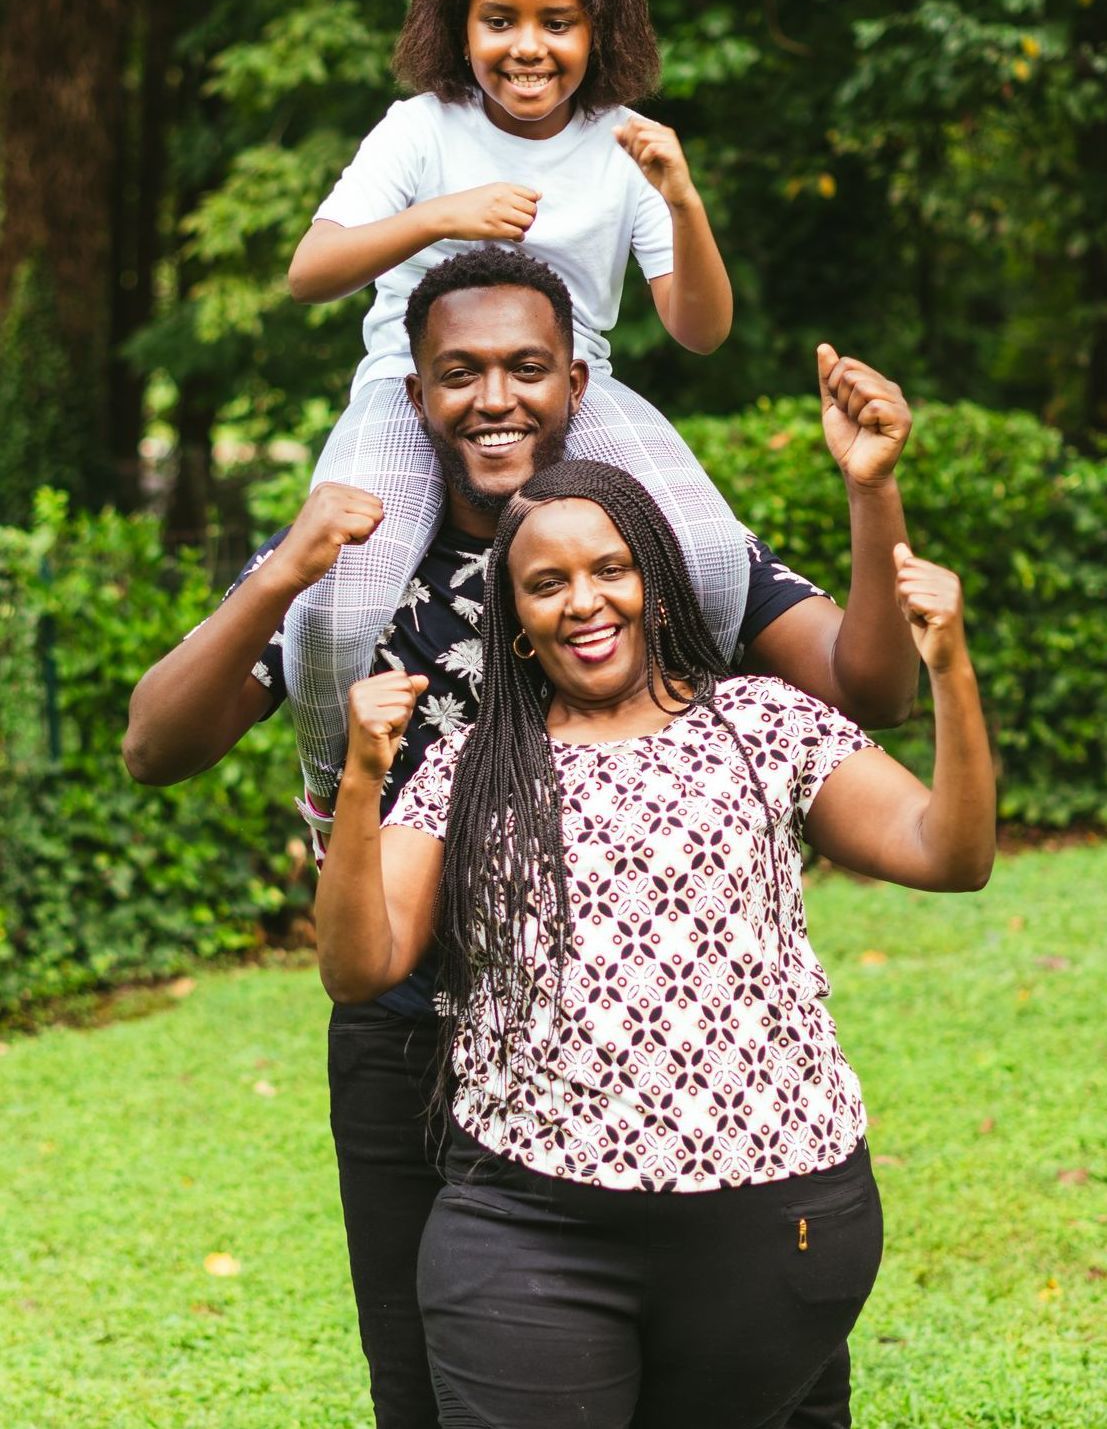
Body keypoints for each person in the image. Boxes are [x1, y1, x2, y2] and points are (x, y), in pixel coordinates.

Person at [124, 246, 920, 1429]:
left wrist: (871, 494)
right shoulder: (357, 572)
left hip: (625, 1058)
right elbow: (155, 746)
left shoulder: (646, 550)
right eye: (460, 372)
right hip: (408, 1039)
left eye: (526, 369)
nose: (494, 399)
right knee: (432, 1395)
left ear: (576, 385)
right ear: (415, 395)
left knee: (773, 1393)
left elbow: (870, 692)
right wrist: (279, 575)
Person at [318, 458, 995, 1429]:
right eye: (547, 583)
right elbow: (360, 964)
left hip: (771, 1217)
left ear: (658, 583)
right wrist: (359, 784)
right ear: (515, 617)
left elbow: (950, 851)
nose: (584, 601)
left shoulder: (764, 723)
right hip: (530, 1227)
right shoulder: (469, 766)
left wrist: (951, 672)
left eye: (610, 569)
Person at [284, 0, 746, 814]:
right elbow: (309, 272)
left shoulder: (623, 142)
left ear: (595, 31)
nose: (526, 46)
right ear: (460, 28)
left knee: (714, 561)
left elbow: (700, 328)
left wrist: (683, 202)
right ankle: (332, 796)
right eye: (500, 21)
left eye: (556, 23)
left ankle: (683, 765)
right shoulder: (421, 128)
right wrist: (436, 218)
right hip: (409, 393)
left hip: (577, 394)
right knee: (336, 606)